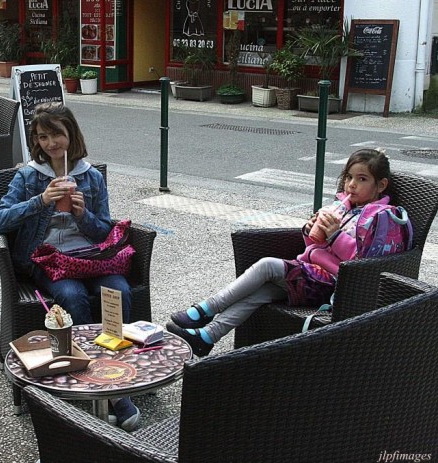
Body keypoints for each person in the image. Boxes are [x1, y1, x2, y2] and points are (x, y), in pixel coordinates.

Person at [0, 102, 140, 431]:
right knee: (72, 299)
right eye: (42, 136)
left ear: (71, 134)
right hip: (49, 258)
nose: (50, 143)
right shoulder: (29, 176)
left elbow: (104, 230)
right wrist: (40, 201)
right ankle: (89, 380)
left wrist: (82, 215)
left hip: (90, 257)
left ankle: (113, 371)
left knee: (119, 292)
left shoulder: (91, 176)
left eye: (56, 134)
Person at [167, 148, 401, 357]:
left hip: (333, 284)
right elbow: (313, 246)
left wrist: (335, 236)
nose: (351, 185)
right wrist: (311, 231)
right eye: (349, 177)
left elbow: (361, 263)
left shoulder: (378, 218)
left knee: (267, 265)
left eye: (362, 179)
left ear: (380, 185)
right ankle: (207, 337)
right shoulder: (343, 207)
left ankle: (205, 309)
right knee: (260, 292)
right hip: (310, 274)